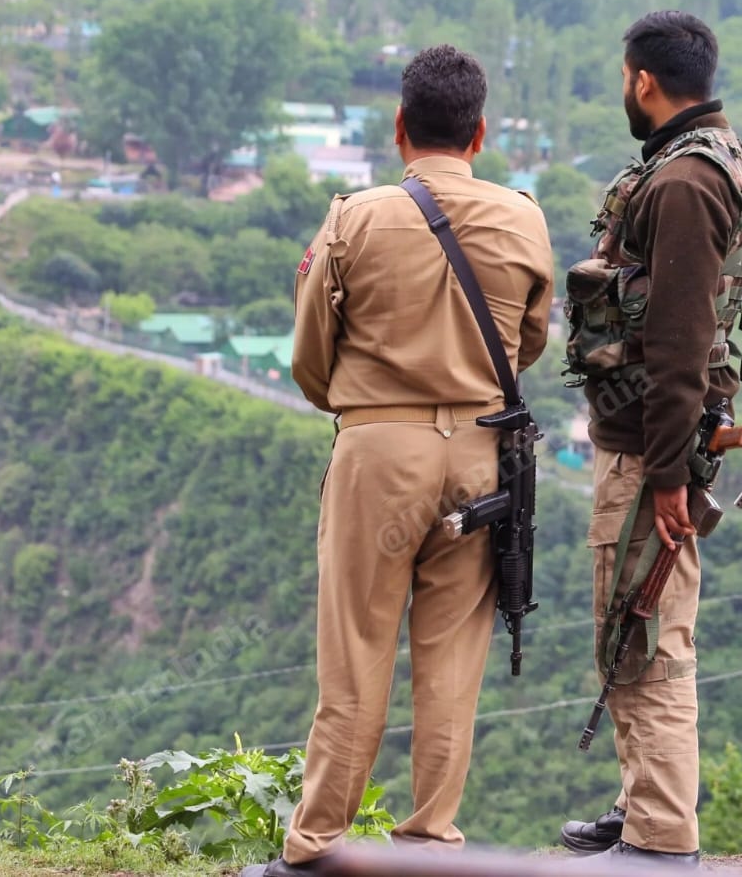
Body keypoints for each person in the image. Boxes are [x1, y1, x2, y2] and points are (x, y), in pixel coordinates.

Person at [245, 45, 553, 876]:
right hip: (485, 458)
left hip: (378, 452)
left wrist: (368, 400)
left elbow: (311, 358)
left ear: (398, 128)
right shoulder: (523, 218)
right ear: (480, 132)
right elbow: (526, 345)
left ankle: (315, 848)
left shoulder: (354, 217)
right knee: (452, 663)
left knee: (356, 654)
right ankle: (430, 843)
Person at [558, 11, 742, 865]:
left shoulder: (682, 182)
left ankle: (659, 838)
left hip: (652, 445)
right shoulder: (721, 162)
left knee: (643, 635)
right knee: (639, 624)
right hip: (663, 436)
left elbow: (679, 342)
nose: (623, 91)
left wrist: (672, 471)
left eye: (623, 77)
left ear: (643, 79)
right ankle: (641, 802)